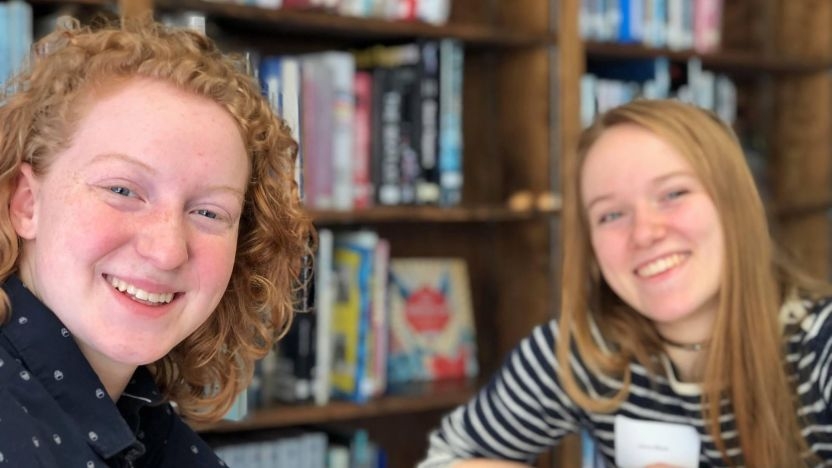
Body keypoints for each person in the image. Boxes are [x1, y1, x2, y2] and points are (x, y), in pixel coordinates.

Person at [419, 99, 832, 467]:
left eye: (673, 194)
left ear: (735, 203)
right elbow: (446, 460)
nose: (644, 233)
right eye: (611, 215)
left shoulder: (819, 348)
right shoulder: (583, 350)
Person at [0, 16, 312, 467]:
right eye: (122, 190)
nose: (167, 251)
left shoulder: (139, 417)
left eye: (209, 213)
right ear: (27, 203)